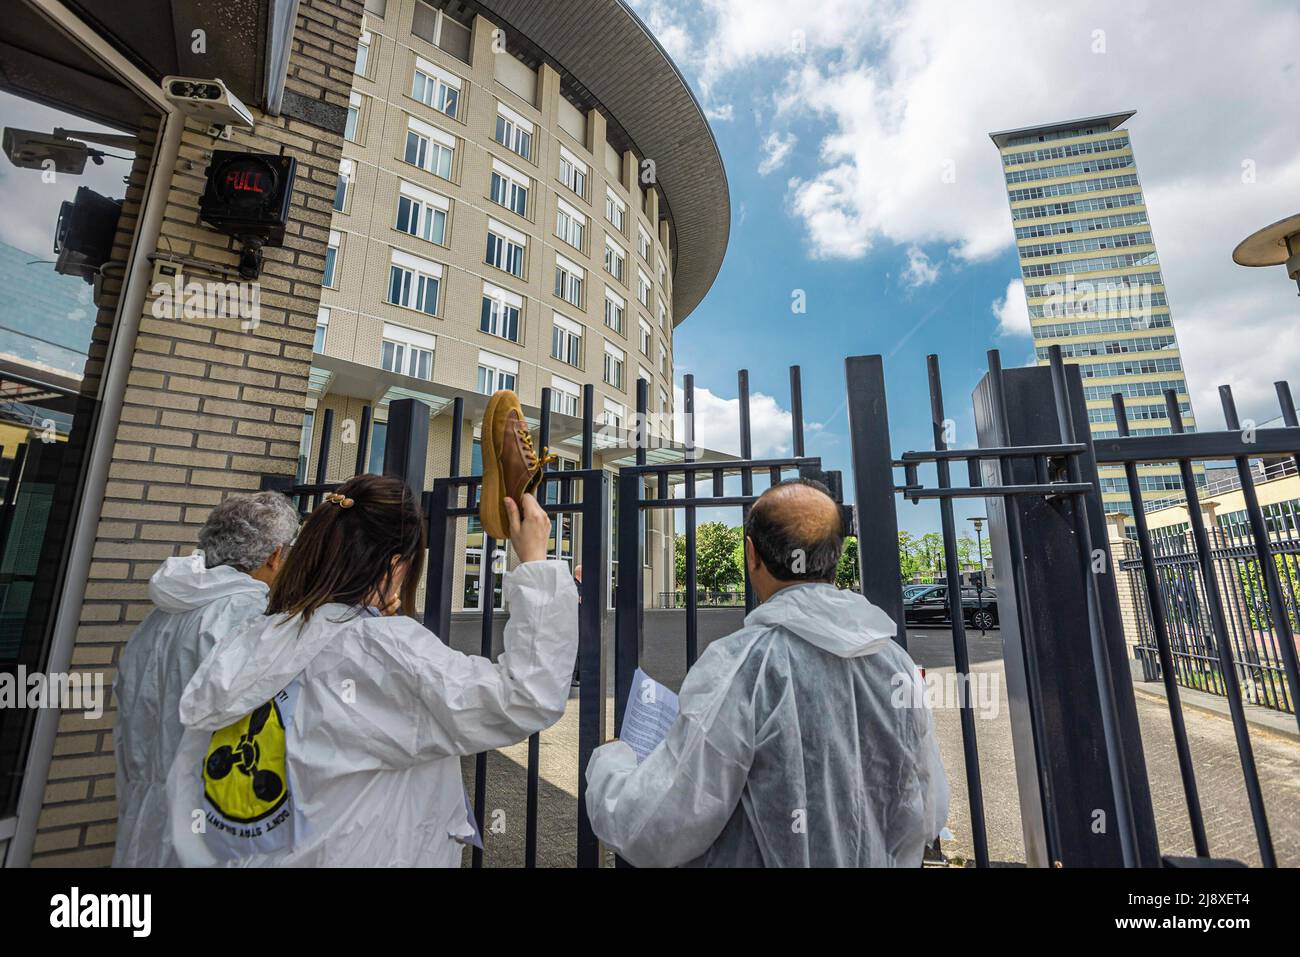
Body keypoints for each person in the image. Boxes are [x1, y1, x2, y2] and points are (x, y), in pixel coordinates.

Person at [165, 473, 577, 867]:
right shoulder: (381, 649)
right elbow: (524, 697)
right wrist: (535, 563)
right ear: (396, 565)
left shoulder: (260, 633)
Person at [585, 478, 949, 867]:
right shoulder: (895, 663)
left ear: (751, 554)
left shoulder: (741, 665)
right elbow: (929, 811)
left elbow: (655, 828)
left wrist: (611, 762)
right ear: (836, 556)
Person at [113, 490, 300, 867]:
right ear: (277, 555)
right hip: (215, 821)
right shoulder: (249, 616)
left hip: (145, 814)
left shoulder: (163, 615)